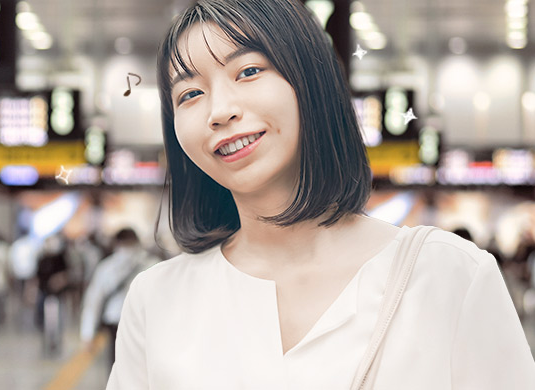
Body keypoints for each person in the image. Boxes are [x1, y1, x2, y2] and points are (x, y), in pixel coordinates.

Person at [108, 0, 535, 388]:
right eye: (190, 94)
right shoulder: (156, 300)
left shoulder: (448, 275)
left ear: (310, 80)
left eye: (249, 71)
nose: (220, 111)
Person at [78, 228, 150, 374]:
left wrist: (87, 333)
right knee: (137, 371)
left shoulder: (106, 267)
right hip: (139, 325)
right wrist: (87, 333)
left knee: (117, 369)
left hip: (118, 324)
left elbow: (93, 301)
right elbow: (94, 301)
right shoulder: (152, 264)